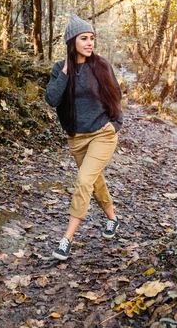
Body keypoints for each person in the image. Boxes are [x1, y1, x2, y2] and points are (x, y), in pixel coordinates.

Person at [45, 14, 123, 261]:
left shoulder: (101, 65)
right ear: (72, 42)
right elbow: (52, 99)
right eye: (84, 39)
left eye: (92, 38)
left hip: (102, 134)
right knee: (94, 181)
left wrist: (115, 124)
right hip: (77, 138)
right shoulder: (60, 69)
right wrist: (67, 71)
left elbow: (116, 95)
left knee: (83, 181)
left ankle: (66, 239)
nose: (90, 43)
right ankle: (112, 219)